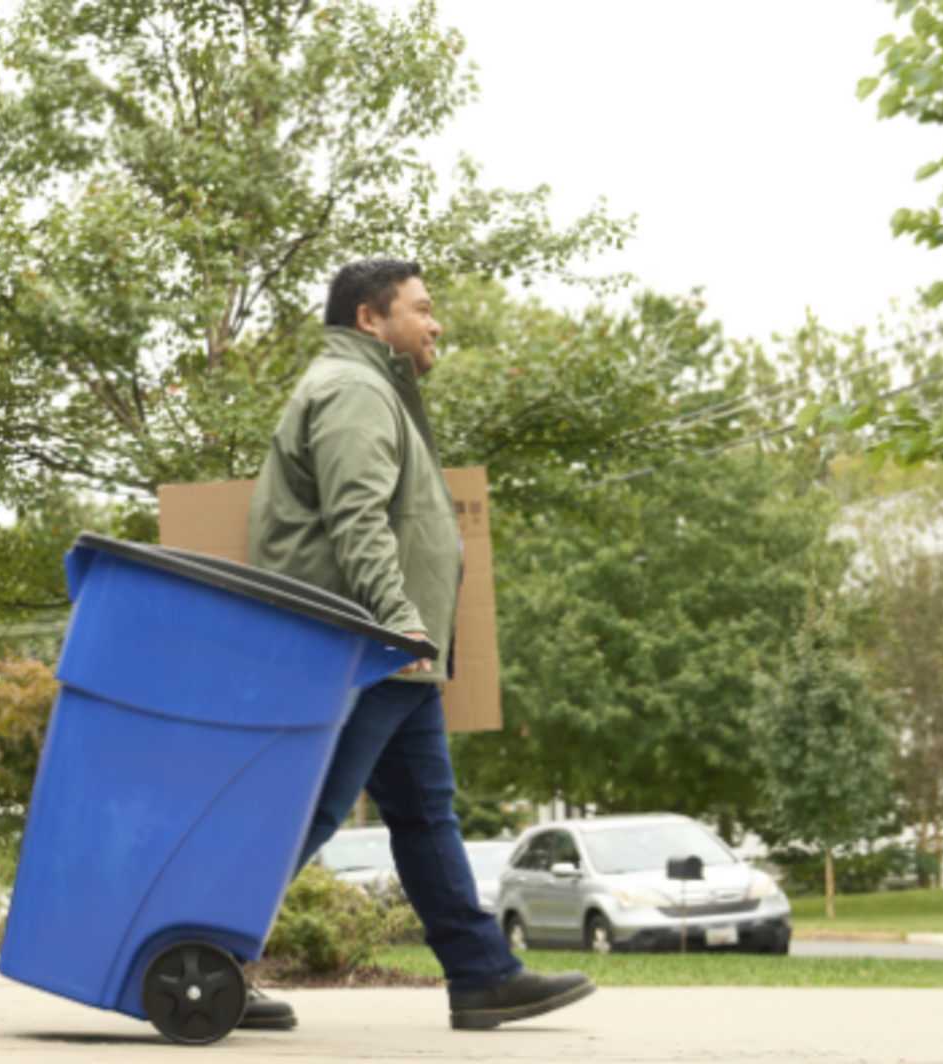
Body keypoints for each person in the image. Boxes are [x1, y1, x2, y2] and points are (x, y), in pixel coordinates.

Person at [245, 260, 595, 1031]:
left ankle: (480, 974)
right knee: (308, 810)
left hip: (394, 654)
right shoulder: (354, 391)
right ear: (371, 319)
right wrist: (398, 619)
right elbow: (357, 516)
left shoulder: (373, 389)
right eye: (423, 309)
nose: (437, 324)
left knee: (426, 815)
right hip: (363, 645)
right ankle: (200, 951)